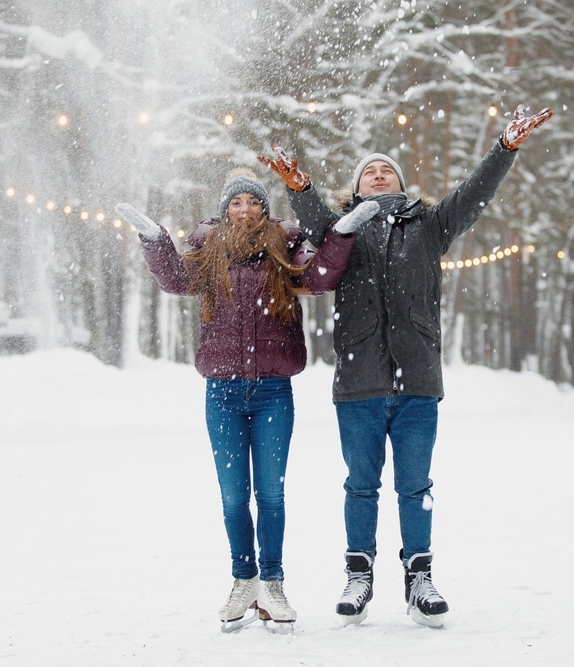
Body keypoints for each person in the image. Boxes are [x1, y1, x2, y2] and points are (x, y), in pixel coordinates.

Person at [259, 105, 554, 628]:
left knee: (415, 485)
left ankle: (420, 577)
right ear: (358, 187)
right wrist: (300, 188)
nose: (378, 173)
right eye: (369, 171)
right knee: (361, 484)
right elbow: (312, 218)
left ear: (399, 181)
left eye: (386, 169)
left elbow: (473, 194)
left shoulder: (431, 226)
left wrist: (503, 149)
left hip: (418, 378)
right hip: (359, 381)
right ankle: (359, 573)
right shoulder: (340, 231)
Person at [115, 169, 378, 633]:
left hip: (275, 391)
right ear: (224, 211)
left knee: (271, 494)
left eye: (252, 202)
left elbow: (319, 276)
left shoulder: (285, 246)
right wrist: (154, 239)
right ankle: (244, 579)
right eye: (235, 203)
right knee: (234, 496)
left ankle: (273, 584)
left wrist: (341, 233)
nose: (244, 209)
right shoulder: (209, 251)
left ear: (264, 207)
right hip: (223, 393)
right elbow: (176, 279)